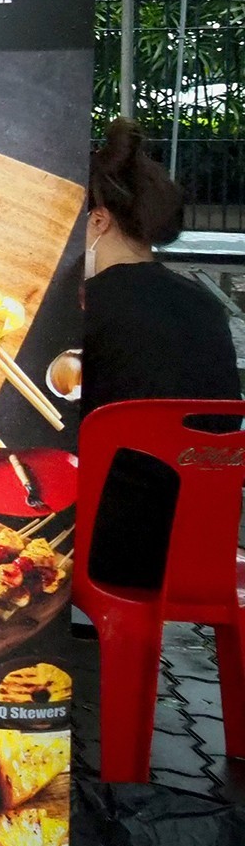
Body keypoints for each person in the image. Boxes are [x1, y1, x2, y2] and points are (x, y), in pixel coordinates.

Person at [81, 118, 240, 590]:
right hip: (199, 536)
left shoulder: (87, 309)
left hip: (107, 547)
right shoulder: (204, 304)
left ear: (98, 220)